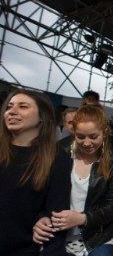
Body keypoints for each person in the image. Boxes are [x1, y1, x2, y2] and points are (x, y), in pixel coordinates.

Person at [33, 102, 113, 255]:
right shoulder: (58, 152)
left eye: (93, 137)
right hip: (56, 234)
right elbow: (40, 192)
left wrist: (83, 219)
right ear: (73, 132)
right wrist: (41, 218)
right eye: (80, 137)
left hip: (95, 238)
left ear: (104, 132)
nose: (87, 143)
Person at [0, 90, 71, 256]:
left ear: (42, 117)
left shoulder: (57, 158)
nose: (12, 111)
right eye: (9, 107)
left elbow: (56, 213)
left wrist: (44, 216)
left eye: (23, 106)